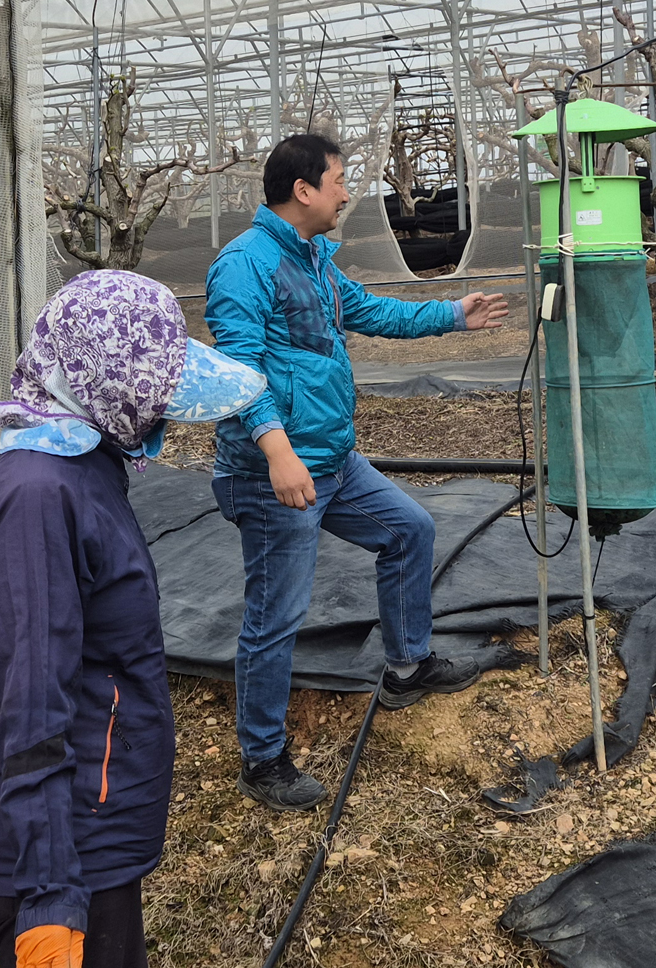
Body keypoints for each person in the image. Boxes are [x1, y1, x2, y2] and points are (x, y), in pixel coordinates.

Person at [0, 269, 268, 968]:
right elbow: (32, 700)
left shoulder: (84, 464)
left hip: (91, 837)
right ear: (105, 379)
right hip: (60, 861)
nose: (162, 411)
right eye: (154, 391)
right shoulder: (38, 496)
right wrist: (48, 899)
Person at [206, 132, 512, 810]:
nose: (349, 193)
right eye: (340, 180)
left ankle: (407, 666)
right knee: (274, 615)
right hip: (273, 473)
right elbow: (239, 367)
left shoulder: (313, 256)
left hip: (332, 461)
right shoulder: (244, 264)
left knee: (408, 530)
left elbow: (369, 311)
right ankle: (261, 759)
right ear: (303, 189)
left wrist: (452, 315)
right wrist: (276, 450)